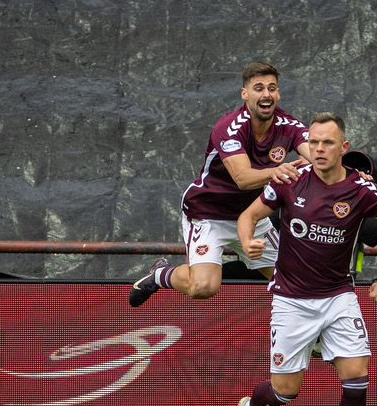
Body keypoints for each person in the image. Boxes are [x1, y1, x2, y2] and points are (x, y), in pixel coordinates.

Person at [232, 112, 377, 406]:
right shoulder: (288, 179)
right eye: (314, 142)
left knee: (357, 377)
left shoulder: (363, 190)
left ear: (343, 148)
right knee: (285, 392)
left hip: (338, 297)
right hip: (291, 300)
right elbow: (248, 216)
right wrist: (246, 241)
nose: (319, 149)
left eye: (328, 142)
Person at [128, 61, 310, 306]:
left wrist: (351, 173)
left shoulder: (290, 126)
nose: (266, 94)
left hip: (252, 216)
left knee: (297, 282)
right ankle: (160, 274)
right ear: (245, 94)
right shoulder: (229, 127)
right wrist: (276, 171)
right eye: (258, 88)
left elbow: (321, 157)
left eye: (272, 88)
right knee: (203, 287)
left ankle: (316, 342)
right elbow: (243, 178)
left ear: (278, 93)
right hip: (208, 213)